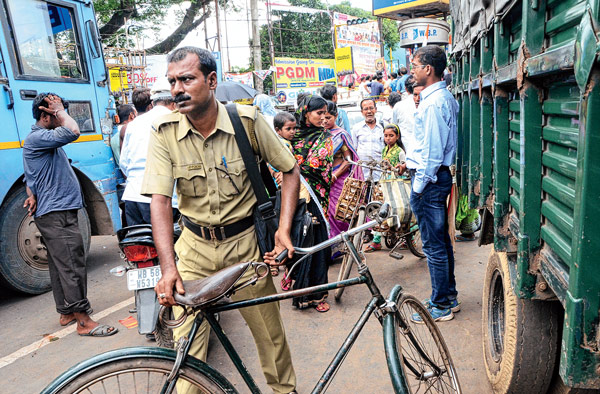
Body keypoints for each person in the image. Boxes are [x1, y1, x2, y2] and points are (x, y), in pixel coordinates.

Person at [143, 47, 298, 394]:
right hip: (194, 252)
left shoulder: (248, 122)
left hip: (245, 251)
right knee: (188, 354)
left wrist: (283, 230)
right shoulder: (164, 131)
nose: (178, 89)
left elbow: (290, 170)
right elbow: (160, 200)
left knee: (272, 340)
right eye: (172, 81)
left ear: (211, 81)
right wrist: (168, 268)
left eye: (187, 79)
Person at [22, 93, 118, 337]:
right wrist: (60, 110)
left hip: (54, 211)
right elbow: (74, 131)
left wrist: (31, 193)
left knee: (60, 263)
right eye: (55, 113)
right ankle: (83, 320)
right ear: (46, 116)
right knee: (72, 264)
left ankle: (66, 311)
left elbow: (29, 176)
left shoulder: (42, 141)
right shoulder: (39, 137)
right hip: (56, 213)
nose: (62, 117)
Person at [407, 45, 460, 323]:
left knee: (434, 246)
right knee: (441, 243)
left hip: (430, 179)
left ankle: (440, 305)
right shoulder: (441, 98)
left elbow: (431, 152)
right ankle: (448, 296)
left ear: (428, 69)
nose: (412, 70)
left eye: (415, 65)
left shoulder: (433, 102)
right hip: (436, 177)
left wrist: (418, 186)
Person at [289, 94, 333, 312]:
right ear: (305, 113)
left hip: (315, 195)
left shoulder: (324, 137)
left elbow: (316, 164)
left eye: (325, 114)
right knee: (297, 239)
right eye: (318, 113)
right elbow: (279, 159)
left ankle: (317, 295)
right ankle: (296, 284)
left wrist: (292, 167)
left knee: (316, 242)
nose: (323, 118)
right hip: (294, 196)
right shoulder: (293, 135)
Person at [120, 78, 178, 226]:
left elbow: (124, 163)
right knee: (169, 246)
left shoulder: (133, 124)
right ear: (174, 103)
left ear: (153, 103)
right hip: (164, 199)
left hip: (133, 197)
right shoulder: (175, 121)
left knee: (138, 244)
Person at [323, 100, 362, 254]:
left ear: (336, 116)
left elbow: (349, 160)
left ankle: (345, 244)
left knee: (341, 212)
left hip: (339, 178)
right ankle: (333, 246)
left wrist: (335, 175)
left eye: (329, 118)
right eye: (323, 118)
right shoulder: (321, 135)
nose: (325, 121)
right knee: (328, 214)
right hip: (326, 180)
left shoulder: (341, 134)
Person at [365, 124, 407, 253]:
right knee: (380, 211)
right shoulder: (384, 150)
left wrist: (394, 168)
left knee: (399, 211)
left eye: (391, 136)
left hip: (396, 185)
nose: (388, 138)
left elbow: (403, 169)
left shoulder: (400, 151)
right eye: (386, 136)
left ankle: (406, 238)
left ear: (397, 136)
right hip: (384, 183)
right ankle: (377, 240)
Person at [351, 98, 385, 181]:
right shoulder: (356, 128)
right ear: (362, 112)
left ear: (375, 109)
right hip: (362, 174)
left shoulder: (383, 127)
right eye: (366, 109)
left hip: (380, 173)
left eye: (371, 108)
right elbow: (354, 151)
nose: (369, 111)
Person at [394, 76, 423, 163]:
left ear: (406, 89)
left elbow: (394, 128)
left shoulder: (398, 106)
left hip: (406, 153)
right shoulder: (428, 105)